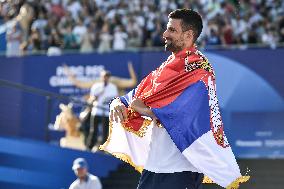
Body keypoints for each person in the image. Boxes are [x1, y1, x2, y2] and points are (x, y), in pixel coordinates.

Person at [101, 9, 249, 189]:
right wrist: (117, 104)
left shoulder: (200, 71)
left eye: (172, 30)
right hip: (154, 165)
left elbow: (185, 115)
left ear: (188, 35)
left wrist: (143, 110)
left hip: (182, 170)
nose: (164, 34)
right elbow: (131, 97)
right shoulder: (165, 68)